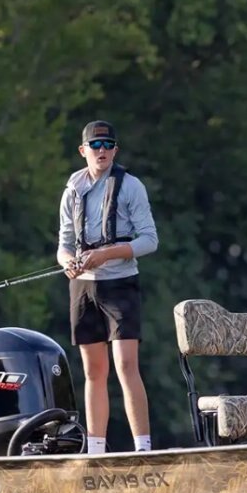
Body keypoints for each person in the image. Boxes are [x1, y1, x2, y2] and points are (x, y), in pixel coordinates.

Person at [57, 121, 159, 453]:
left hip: (120, 284)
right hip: (83, 289)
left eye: (108, 145)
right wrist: (68, 263)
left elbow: (150, 240)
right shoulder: (72, 189)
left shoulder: (131, 186)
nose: (102, 151)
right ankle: (96, 450)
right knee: (93, 371)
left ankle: (143, 448)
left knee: (126, 366)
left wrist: (106, 254)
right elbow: (64, 245)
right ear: (82, 151)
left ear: (115, 150)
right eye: (95, 145)